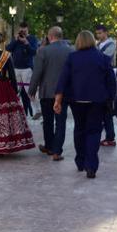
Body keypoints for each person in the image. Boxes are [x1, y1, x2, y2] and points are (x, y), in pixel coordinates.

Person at [54, 30, 116, 179]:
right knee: (94, 132)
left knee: (79, 129)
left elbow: (63, 79)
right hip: (97, 100)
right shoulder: (103, 58)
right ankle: (91, 166)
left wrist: (58, 100)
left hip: (76, 100)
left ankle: (80, 160)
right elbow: (111, 82)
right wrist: (109, 99)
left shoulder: (72, 58)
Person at [29, 26, 73, 161]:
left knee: (47, 121)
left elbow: (37, 72)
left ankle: (49, 146)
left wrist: (32, 89)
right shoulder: (70, 51)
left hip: (47, 92)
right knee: (60, 122)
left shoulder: (43, 51)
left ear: (50, 36)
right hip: (64, 92)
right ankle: (56, 151)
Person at [5, 22, 40, 119]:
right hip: (15, 68)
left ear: (27, 29)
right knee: (13, 90)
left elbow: (34, 52)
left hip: (27, 68)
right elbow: (8, 49)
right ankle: (13, 111)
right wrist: (15, 40)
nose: (22, 31)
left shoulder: (32, 38)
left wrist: (26, 42)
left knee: (29, 90)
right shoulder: (15, 39)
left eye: (24, 29)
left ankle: (38, 110)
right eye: (21, 29)